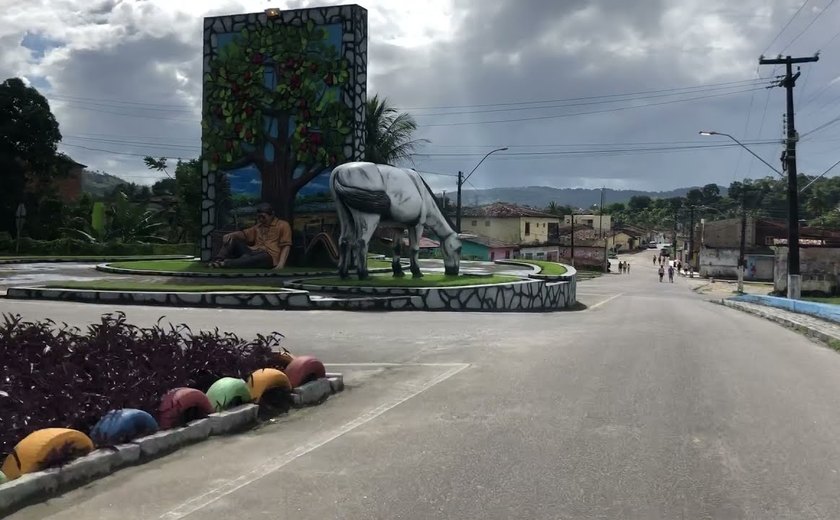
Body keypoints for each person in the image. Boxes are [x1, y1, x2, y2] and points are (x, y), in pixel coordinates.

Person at [210, 202, 292, 269]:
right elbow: (245, 234)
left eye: (263, 217)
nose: (261, 220)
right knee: (232, 239)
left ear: (272, 215)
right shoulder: (258, 226)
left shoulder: (283, 225)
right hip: (253, 251)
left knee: (257, 258)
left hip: (268, 256)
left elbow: (286, 246)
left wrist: (281, 264)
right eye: (259, 217)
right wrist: (231, 235)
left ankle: (226, 264)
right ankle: (218, 260)